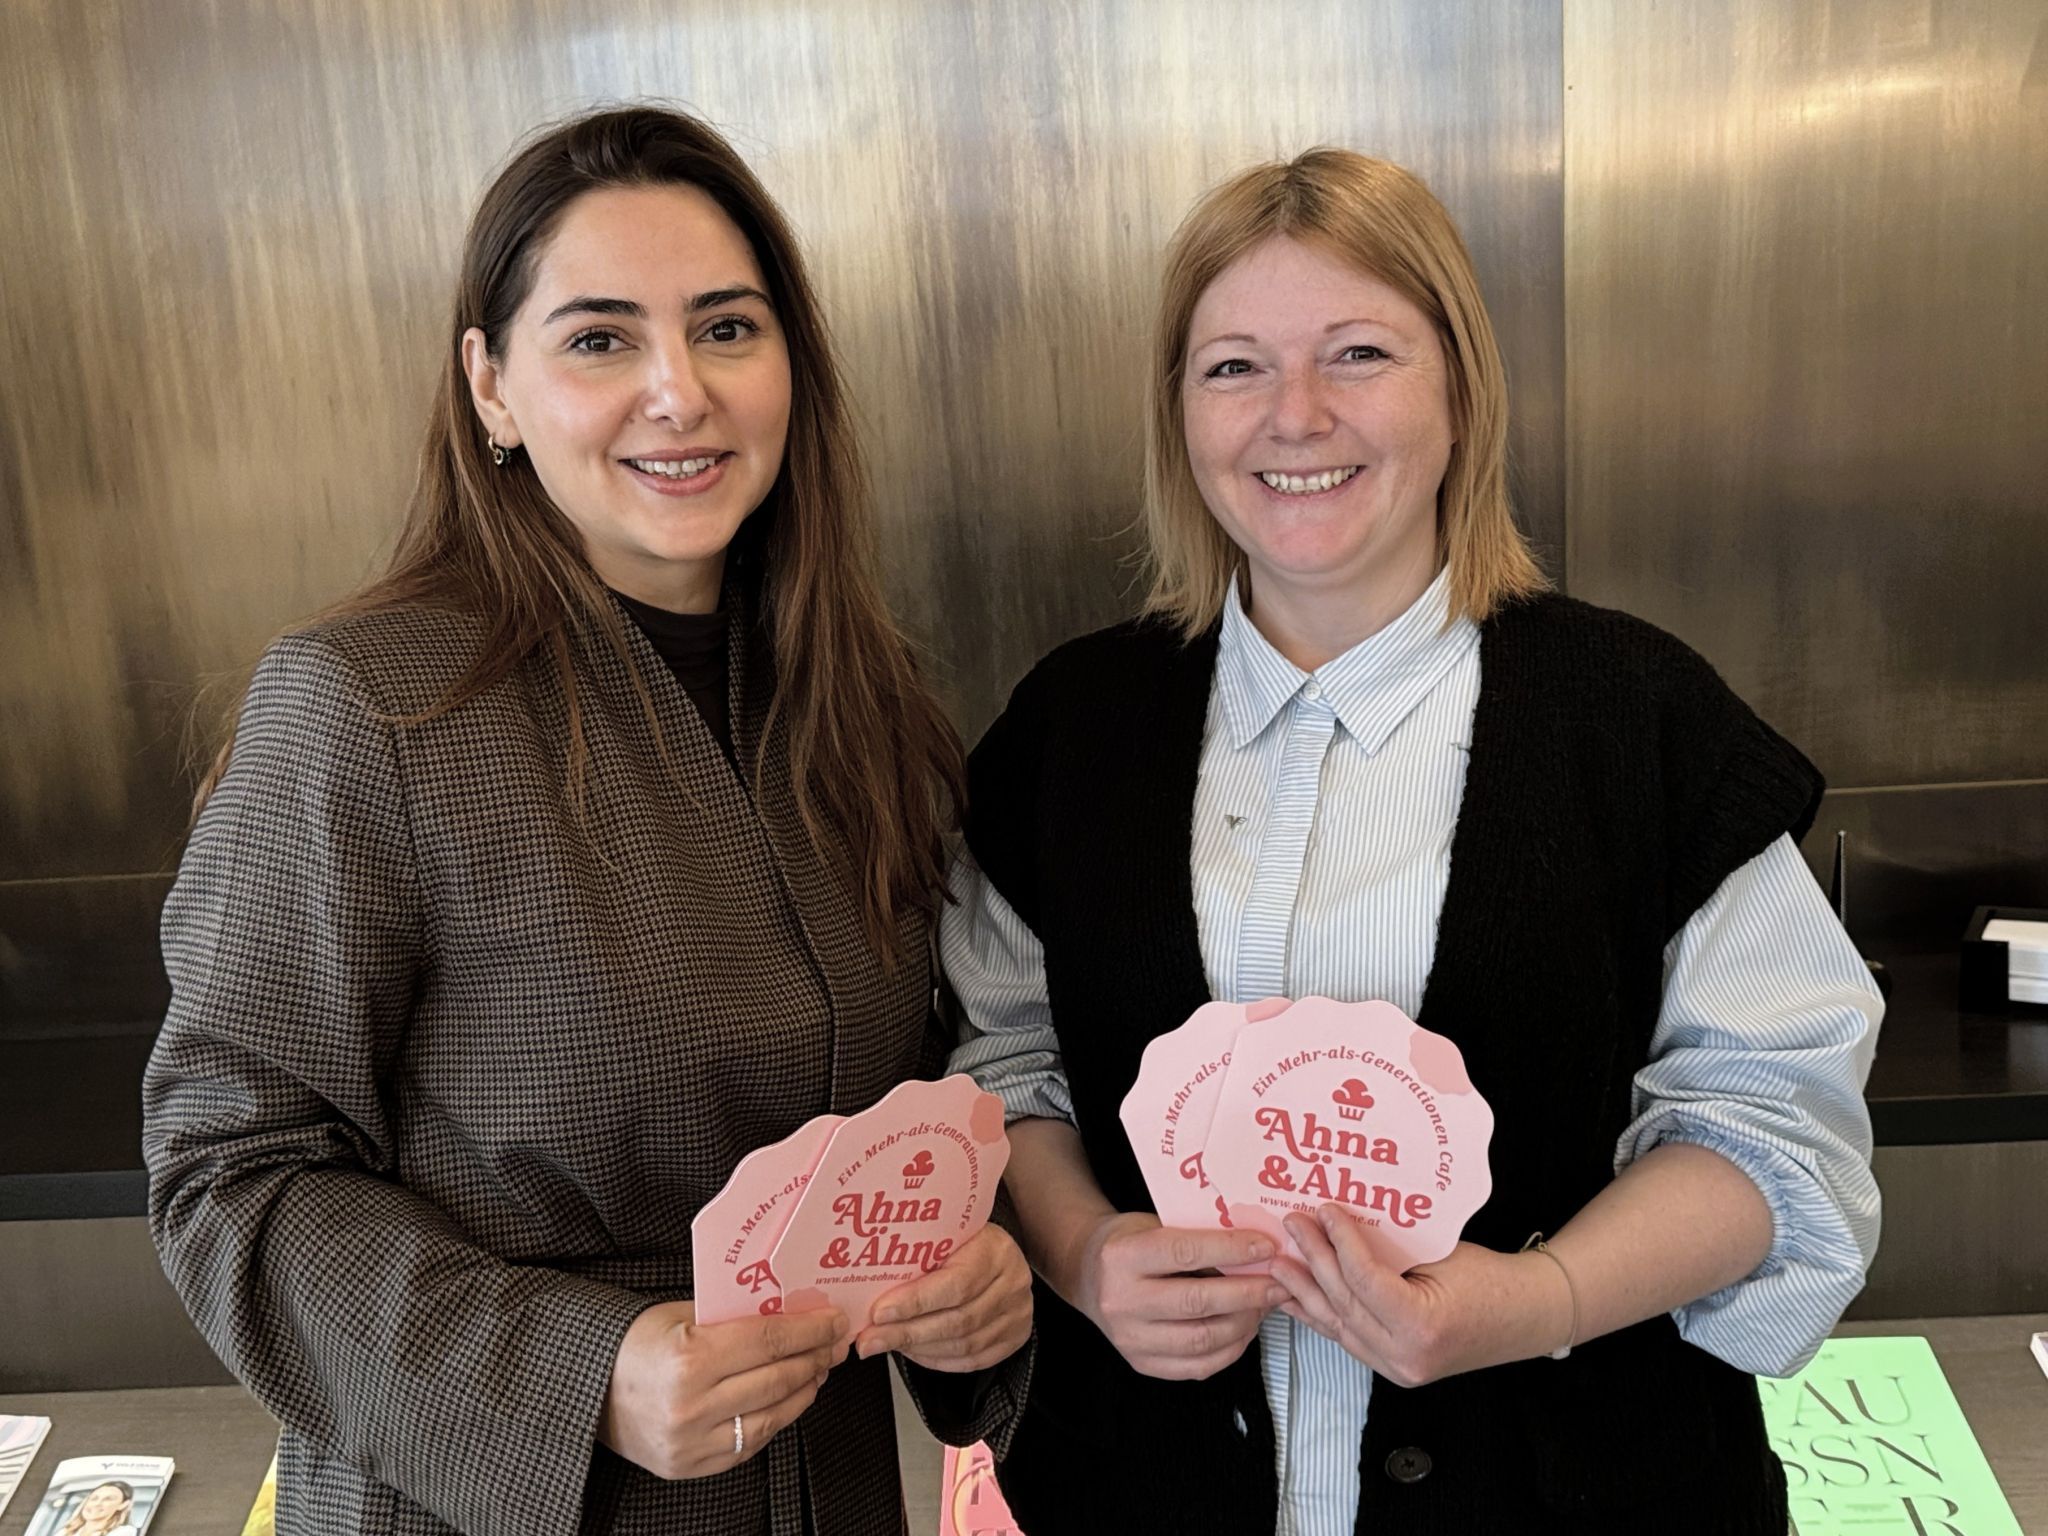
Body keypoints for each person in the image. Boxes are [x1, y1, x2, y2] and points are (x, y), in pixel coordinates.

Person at [944, 149, 1881, 1533]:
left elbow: (1772, 1121)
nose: (1296, 415)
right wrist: (1082, 1254)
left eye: (1360, 353)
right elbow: (1005, 1063)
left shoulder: (1636, 717)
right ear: (1179, 413)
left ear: (1460, 389)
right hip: (1137, 1490)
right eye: (1234, 367)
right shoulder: (1074, 725)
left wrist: (1536, 1300)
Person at [143, 107, 1031, 1536]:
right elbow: (230, 1175)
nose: (679, 392)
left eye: (728, 329)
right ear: (491, 386)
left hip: (824, 1488)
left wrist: (977, 1270)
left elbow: (912, 1104)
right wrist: (582, 1376)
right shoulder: (367, 706)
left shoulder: (856, 700)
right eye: (600, 339)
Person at [56, 1481, 136, 1536]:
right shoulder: (65, 1531)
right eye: (94, 1498)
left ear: (123, 1505)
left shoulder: (124, 1532)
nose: (97, 1504)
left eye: (108, 1499)